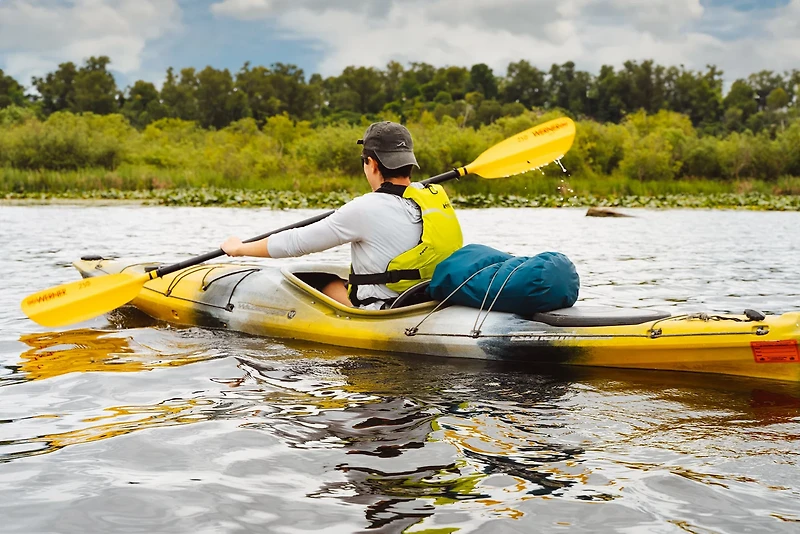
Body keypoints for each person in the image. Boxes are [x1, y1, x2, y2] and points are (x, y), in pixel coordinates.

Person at [221, 121, 463, 309]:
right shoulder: (432, 196)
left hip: (384, 311)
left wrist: (240, 248)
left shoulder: (364, 208)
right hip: (425, 298)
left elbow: (295, 243)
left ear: (371, 164)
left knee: (317, 280)